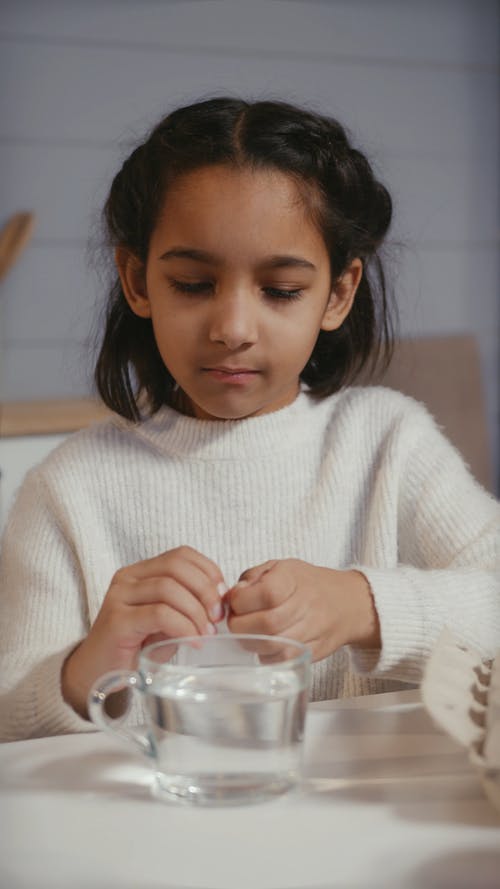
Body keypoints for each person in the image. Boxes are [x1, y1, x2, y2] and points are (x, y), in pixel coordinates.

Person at [1, 97, 499, 742]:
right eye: (193, 283)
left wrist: (364, 605)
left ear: (338, 294)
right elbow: (10, 721)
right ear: (137, 280)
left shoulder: (388, 443)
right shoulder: (68, 490)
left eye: (281, 291)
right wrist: (88, 668)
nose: (233, 330)